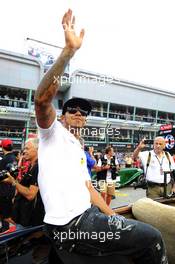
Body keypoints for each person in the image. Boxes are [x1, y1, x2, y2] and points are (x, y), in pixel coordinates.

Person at [34, 9, 168, 263]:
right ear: (62, 116)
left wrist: (113, 216)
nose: (77, 114)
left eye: (83, 112)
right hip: (70, 226)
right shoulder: (52, 133)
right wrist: (68, 52)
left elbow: (88, 188)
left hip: (86, 218)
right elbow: (41, 101)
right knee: (153, 238)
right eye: (71, 109)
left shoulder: (77, 147)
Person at [3, 138, 44, 227]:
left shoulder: (39, 167)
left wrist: (13, 182)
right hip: (22, 217)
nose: (24, 151)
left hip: (30, 220)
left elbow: (30, 195)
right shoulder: (31, 166)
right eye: (24, 149)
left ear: (38, 149)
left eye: (27, 148)